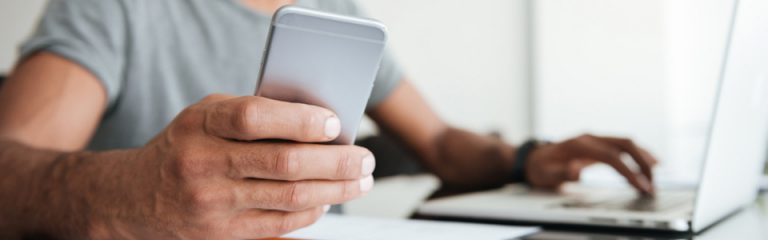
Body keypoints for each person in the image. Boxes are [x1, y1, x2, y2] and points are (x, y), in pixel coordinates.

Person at [0, 0, 657, 239]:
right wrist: (129, 195)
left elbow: (437, 141)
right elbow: (7, 166)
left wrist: (524, 157)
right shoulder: (116, 8)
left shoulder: (335, 12)